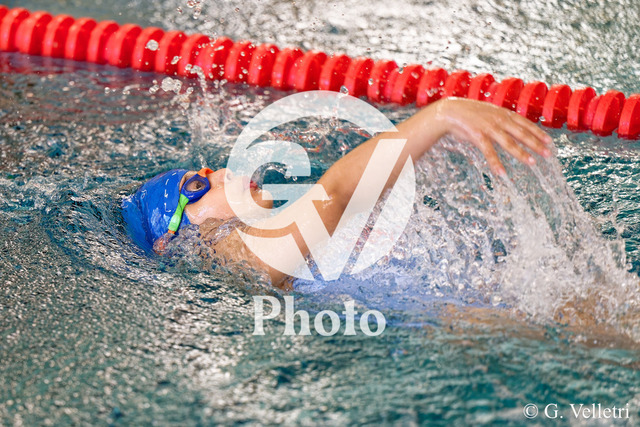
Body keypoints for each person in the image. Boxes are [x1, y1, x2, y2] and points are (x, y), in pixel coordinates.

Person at [122, 97, 552, 288]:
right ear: (169, 240)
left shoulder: (263, 244)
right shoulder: (234, 259)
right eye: (198, 185)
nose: (221, 172)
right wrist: (442, 116)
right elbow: (337, 193)